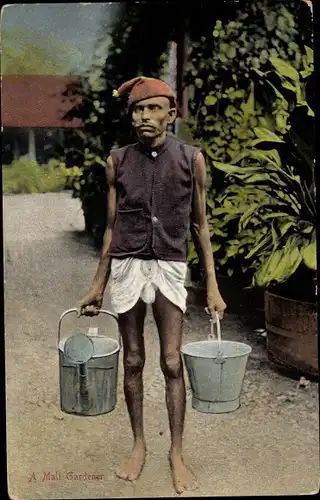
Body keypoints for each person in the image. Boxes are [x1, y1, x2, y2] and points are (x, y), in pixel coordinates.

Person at [79, 76, 227, 494]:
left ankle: (176, 453)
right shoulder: (118, 160)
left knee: (172, 361)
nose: (144, 116)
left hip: (169, 268)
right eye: (137, 110)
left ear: (171, 114)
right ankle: (139, 444)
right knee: (132, 361)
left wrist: (212, 287)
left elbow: (200, 226)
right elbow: (110, 227)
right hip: (127, 266)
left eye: (153, 109)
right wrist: (97, 285)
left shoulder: (191, 159)